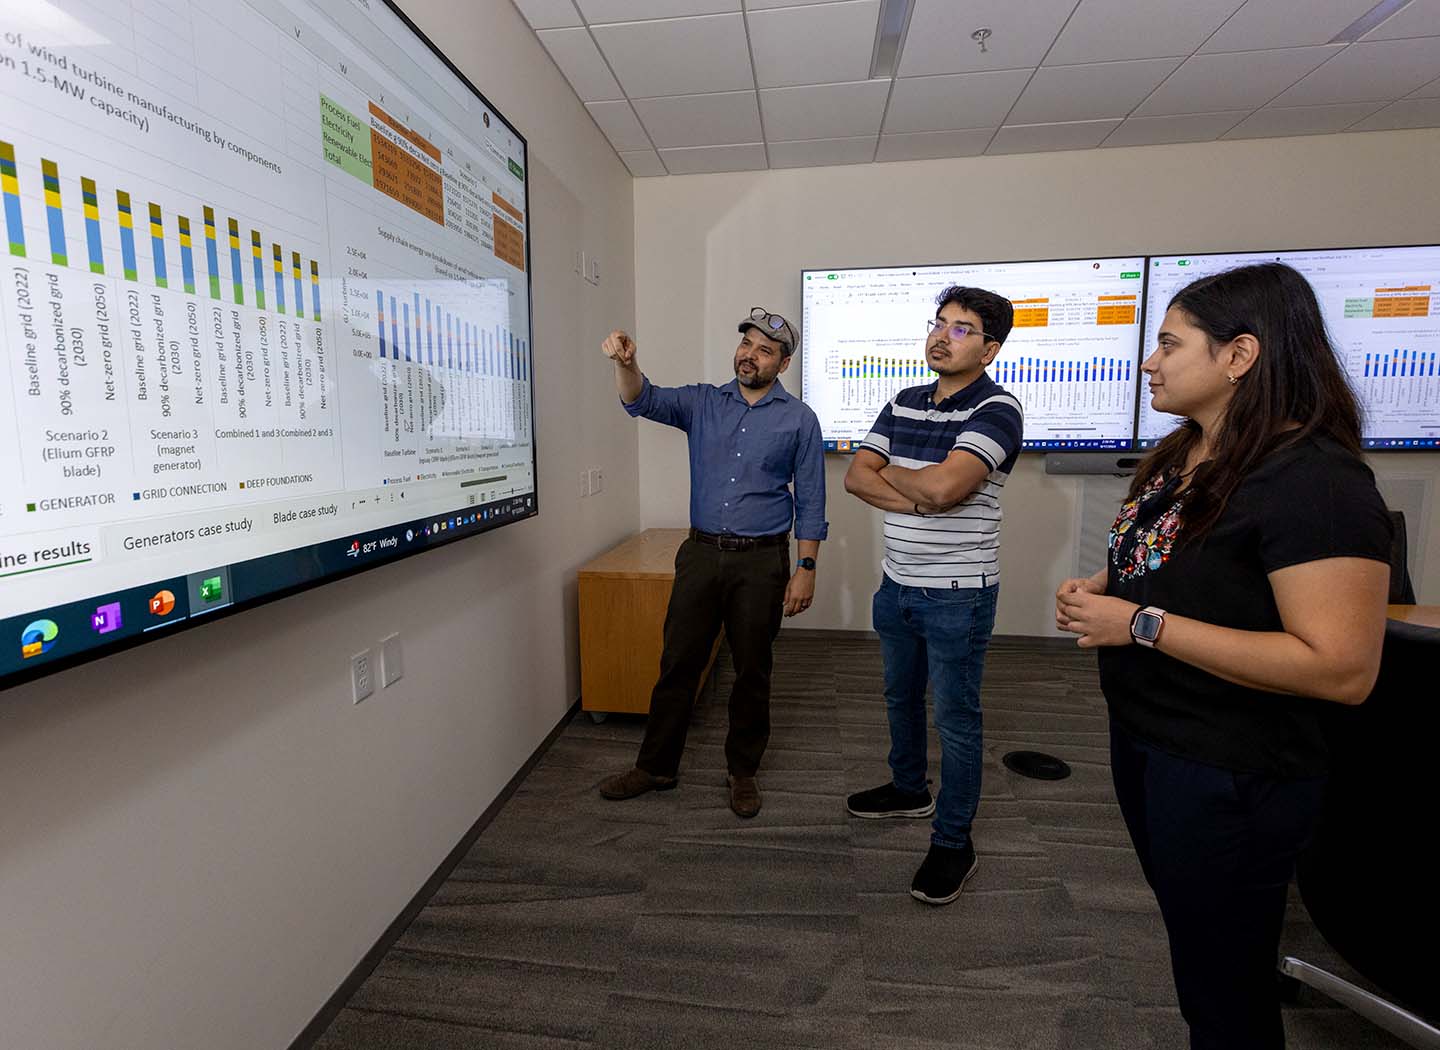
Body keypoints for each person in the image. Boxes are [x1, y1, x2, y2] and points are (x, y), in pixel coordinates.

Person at [1054, 262, 1392, 1050]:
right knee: (1204, 951)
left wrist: (1139, 624)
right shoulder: (1187, 452)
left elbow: (1341, 668)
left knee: (1225, 989)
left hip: (1232, 768)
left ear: (1239, 355)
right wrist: (1111, 583)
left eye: (1170, 344)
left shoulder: (1316, 481)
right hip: (1153, 739)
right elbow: (1188, 564)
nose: (1150, 362)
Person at [596, 308, 827, 818]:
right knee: (677, 664)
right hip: (700, 555)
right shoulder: (702, 402)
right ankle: (656, 767)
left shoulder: (799, 420)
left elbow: (812, 500)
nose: (750, 355)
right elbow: (641, 399)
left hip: (762, 562)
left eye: (764, 350)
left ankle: (742, 772)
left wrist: (806, 569)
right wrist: (627, 365)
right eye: (746, 344)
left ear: (783, 363)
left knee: (752, 671)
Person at [843, 285, 1023, 905]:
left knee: (956, 718)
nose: (943, 336)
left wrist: (904, 476)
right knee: (900, 697)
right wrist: (923, 492)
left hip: (957, 595)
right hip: (895, 584)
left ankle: (953, 841)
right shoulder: (903, 401)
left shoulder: (998, 409)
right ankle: (908, 789)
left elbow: (946, 489)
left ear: (990, 349)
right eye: (940, 323)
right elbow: (855, 477)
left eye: (962, 328)